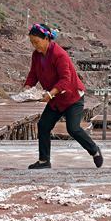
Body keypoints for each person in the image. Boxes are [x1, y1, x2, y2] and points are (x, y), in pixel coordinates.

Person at [23, 23, 102, 169]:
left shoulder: (59, 55)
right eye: (32, 42)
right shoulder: (36, 55)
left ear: (46, 38)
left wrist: (50, 94)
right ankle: (44, 161)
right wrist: (27, 88)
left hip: (72, 97)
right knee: (43, 125)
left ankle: (94, 150)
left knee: (73, 128)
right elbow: (33, 74)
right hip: (56, 99)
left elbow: (65, 79)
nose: (35, 45)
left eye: (37, 42)